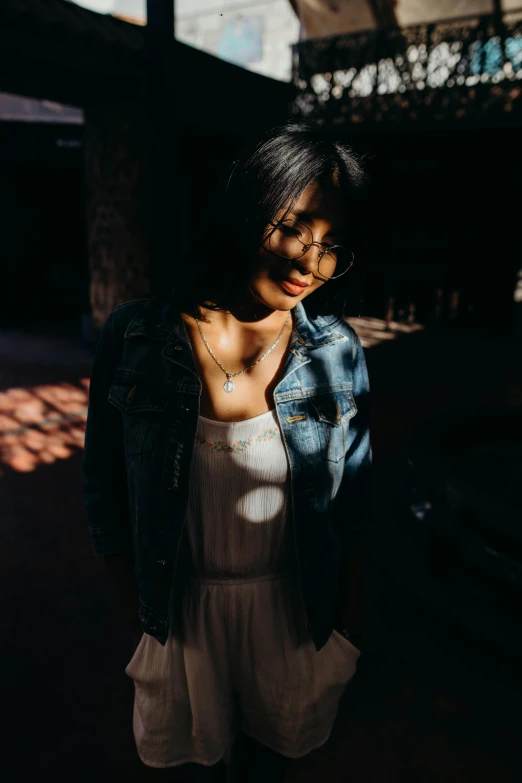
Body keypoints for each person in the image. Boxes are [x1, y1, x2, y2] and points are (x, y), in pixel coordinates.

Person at [82, 119, 373, 782]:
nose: (309, 261)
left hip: (295, 623)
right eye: (294, 227)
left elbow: (356, 503)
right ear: (244, 208)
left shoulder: (337, 353)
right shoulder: (136, 338)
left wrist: (347, 636)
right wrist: (142, 617)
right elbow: (102, 486)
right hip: (181, 627)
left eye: (332, 245)